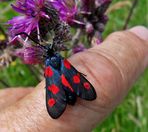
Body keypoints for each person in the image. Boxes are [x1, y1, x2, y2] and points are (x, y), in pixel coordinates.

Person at [0, 26, 147, 132]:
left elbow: (49, 78)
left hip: (57, 90)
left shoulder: (48, 66)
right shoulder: (59, 58)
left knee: (54, 84)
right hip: (73, 83)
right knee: (75, 80)